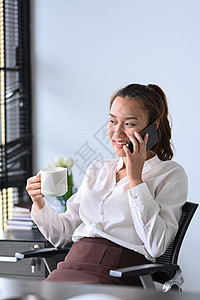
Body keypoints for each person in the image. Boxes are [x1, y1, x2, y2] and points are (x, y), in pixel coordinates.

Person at [26, 83, 188, 286]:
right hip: (71, 266)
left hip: (120, 272)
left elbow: (156, 246)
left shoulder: (169, 174)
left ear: (152, 127)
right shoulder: (98, 169)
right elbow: (62, 235)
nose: (116, 132)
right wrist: (38, 201)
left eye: (129, 124)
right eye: (112, 121)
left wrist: (136, 180)